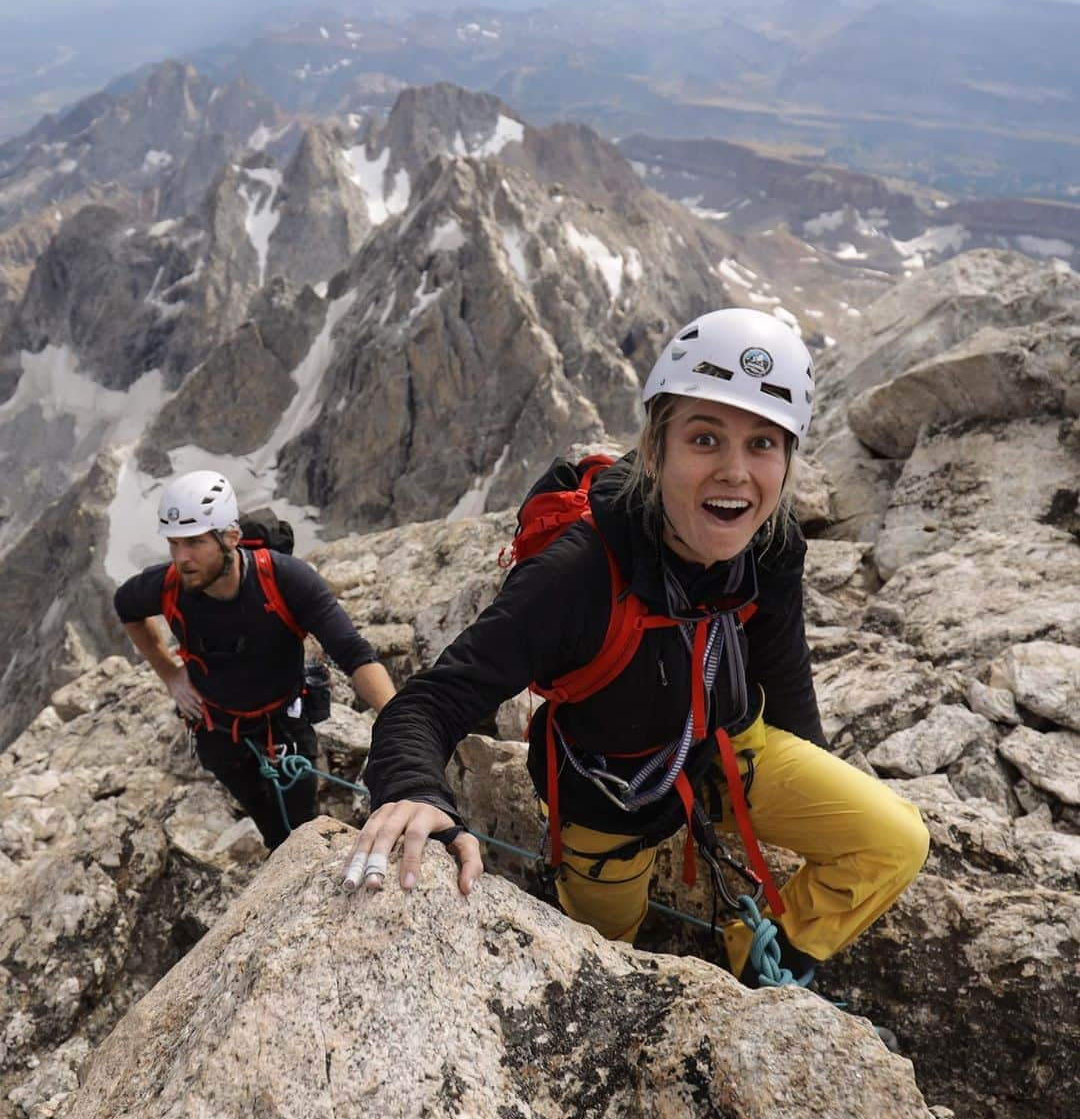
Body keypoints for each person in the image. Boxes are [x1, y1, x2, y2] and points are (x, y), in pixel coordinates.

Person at [346, 309, 928, 984]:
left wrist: (810, 804)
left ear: (788, 460)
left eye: (763, 444)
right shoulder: (578, 574)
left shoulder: (770, 540)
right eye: (705, 439)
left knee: (895, 841)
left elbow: (782, 671)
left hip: (730, 753)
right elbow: (432, 703)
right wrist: (416, 789)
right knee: (606, 951)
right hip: (609, 796)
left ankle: (758, 963)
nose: (736, 474)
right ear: (655, 449)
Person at [115, 469, 396, 849]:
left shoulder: (285, 580)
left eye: (195, 542)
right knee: (265, 820)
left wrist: (401, 727)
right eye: (174, 544)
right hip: (216, 730)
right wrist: (169, 673)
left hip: (285, 728)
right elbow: (126, 605)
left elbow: (355, 655)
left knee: (301, 824)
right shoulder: (168, 585)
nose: (181, 558)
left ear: (230, 537)